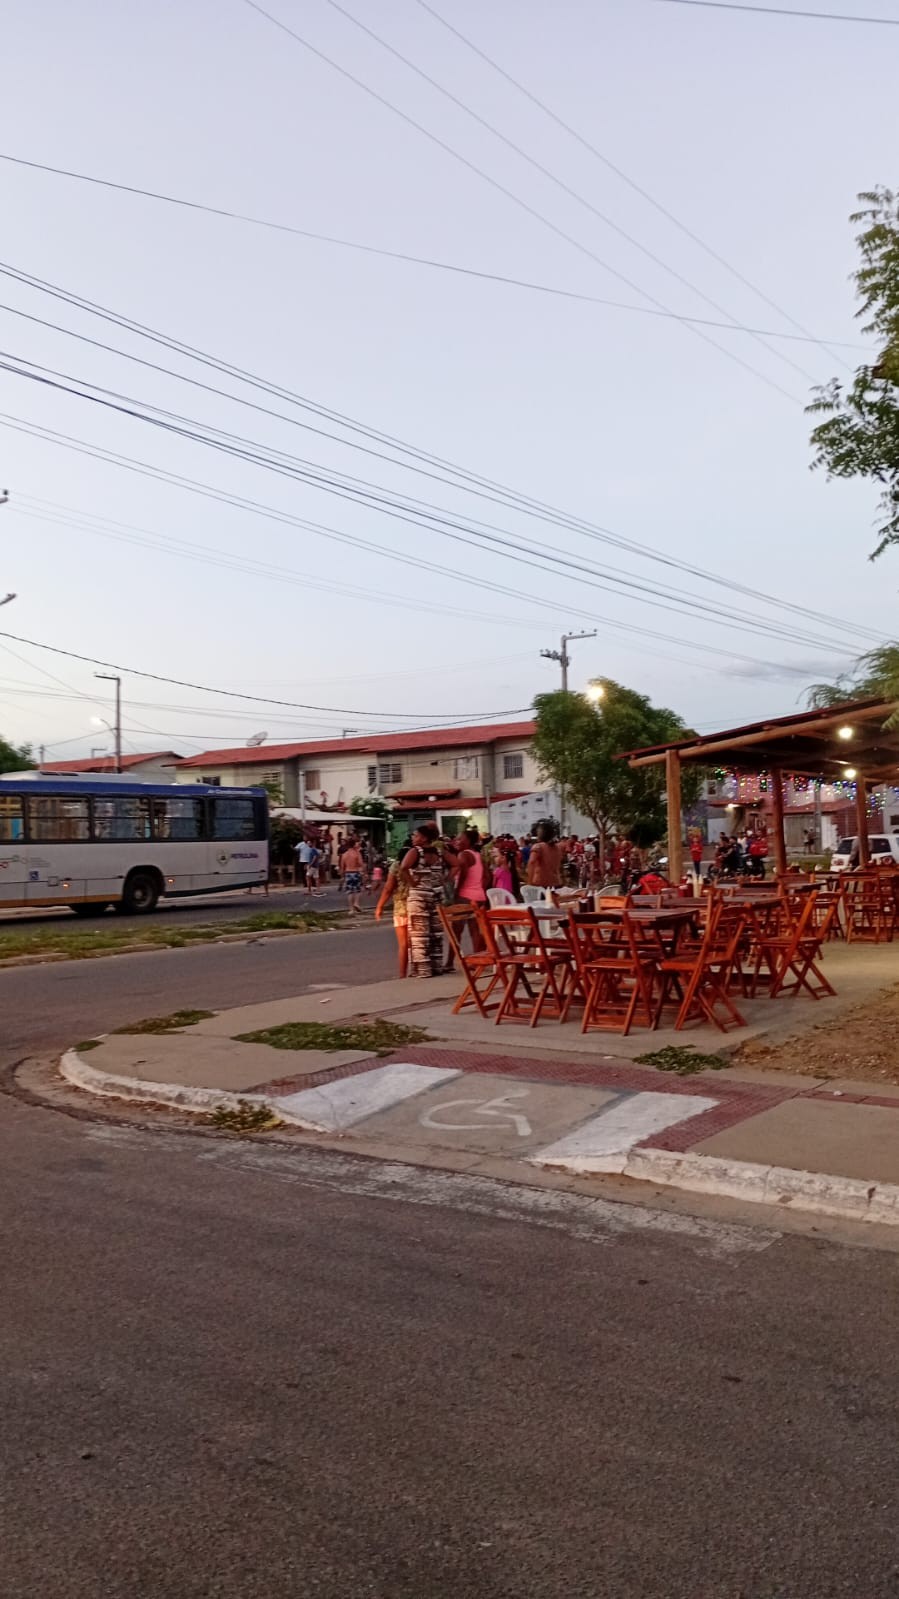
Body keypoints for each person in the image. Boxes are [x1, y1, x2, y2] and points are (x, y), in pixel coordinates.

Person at [401, 823, 445, 978]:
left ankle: (423, 970)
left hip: (419, 896)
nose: (413, 838)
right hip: (436, 895)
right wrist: (443, 879)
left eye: (416, 835)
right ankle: (436, 966)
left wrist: (412, 882)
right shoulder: (438, 852)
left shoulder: (416, 851)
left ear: (424, 838)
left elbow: (404, 867)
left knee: (419, 934)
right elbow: (456, 864)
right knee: (435, 933)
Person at [374, 858, 410, 977]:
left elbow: (388, 889)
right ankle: (419, 969)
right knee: (418, 942)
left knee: (403, 944)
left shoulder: (396, 865)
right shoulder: (423, 861)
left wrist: (379, 906)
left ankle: (402, 973)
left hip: (401, 908)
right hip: (419, 906)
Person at [526, 821, 563, 889]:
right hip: (556, 883)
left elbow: (531, 862)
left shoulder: (538, 847)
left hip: (540, 883)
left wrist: (529, 882)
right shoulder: (558, 848)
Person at [339, 834, 365, 915]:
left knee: (349, 892)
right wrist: (364, 873)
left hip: (348, 873)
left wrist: (342, 877)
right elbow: (361, 864)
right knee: (358, 890)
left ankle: (351, 909)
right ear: (354, 845)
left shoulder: (344, 855)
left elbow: (342, 867)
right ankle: (356, 903)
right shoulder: (357, 853)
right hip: (356, 872)